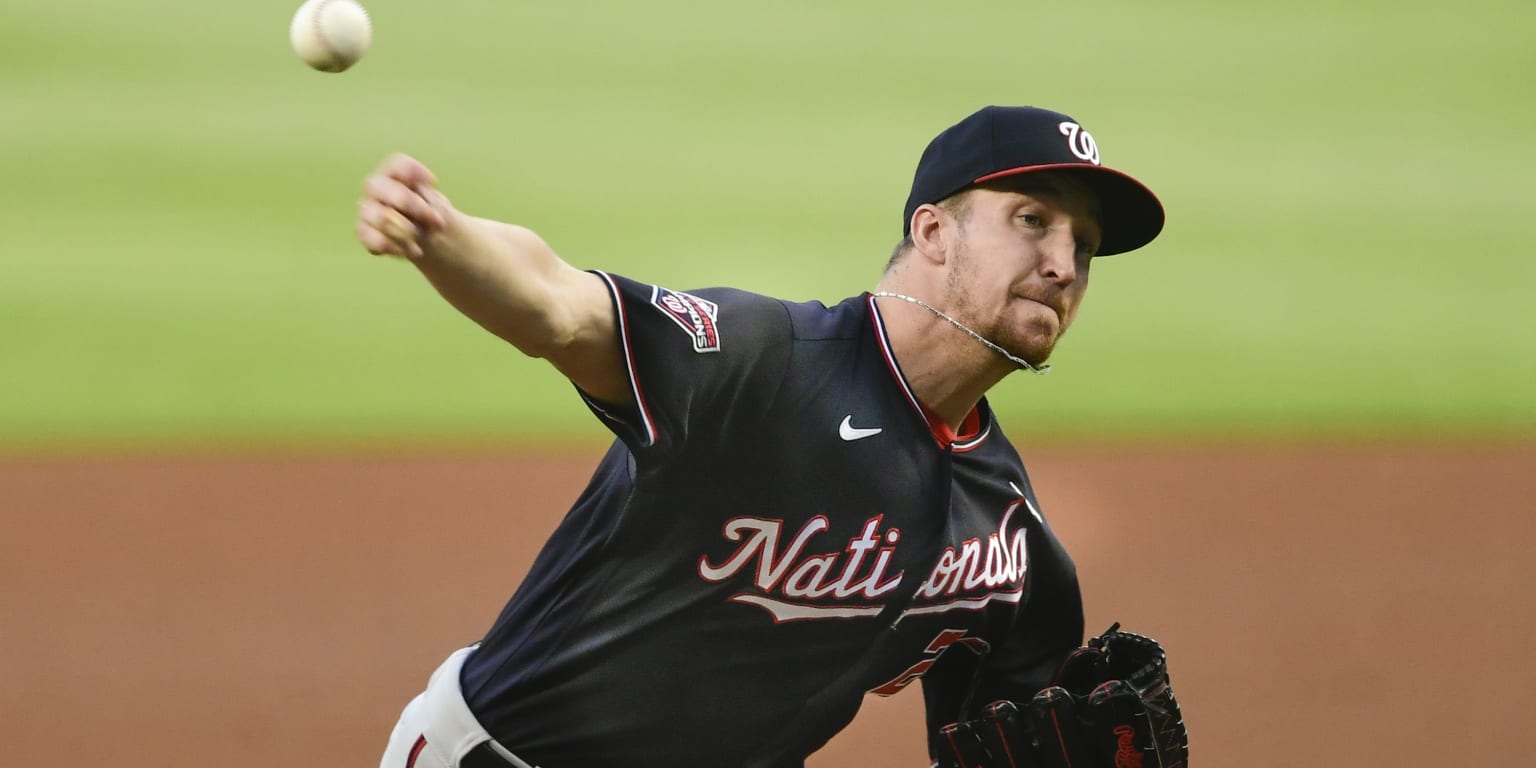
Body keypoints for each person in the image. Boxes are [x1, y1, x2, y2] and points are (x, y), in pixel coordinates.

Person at [360, 105, 1166, 768]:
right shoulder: (765, 361)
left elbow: (1025, 734)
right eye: (1033, 220)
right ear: (932, 233)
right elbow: (560, 306)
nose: (1063, 263)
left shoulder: (1012, 543)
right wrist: (444, 236)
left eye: (1084, 245)